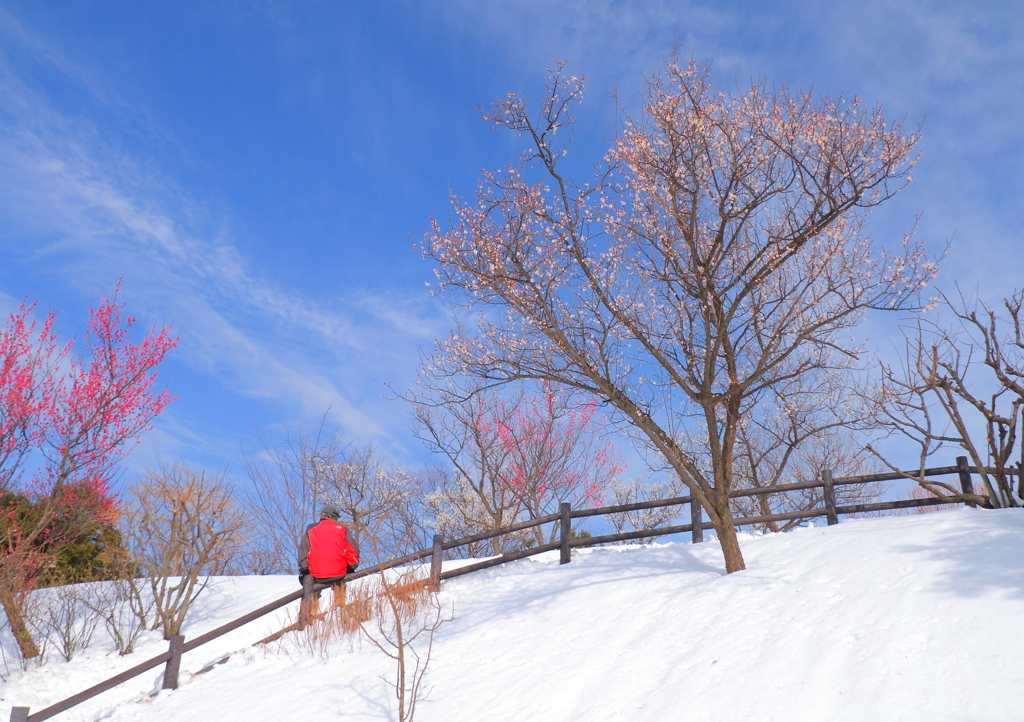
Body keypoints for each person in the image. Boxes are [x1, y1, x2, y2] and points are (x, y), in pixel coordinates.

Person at [297, 504, 359, 624]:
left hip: (316, 574)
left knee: (308, 582)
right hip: (339, 572)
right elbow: (354, 552)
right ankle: (339, 607)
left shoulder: (311, 528)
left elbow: (303, 551)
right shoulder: (343, 529)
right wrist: (351, 566)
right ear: (335, 517)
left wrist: (305, 567)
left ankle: (309, 614)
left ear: (323, 515)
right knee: (341, 582)